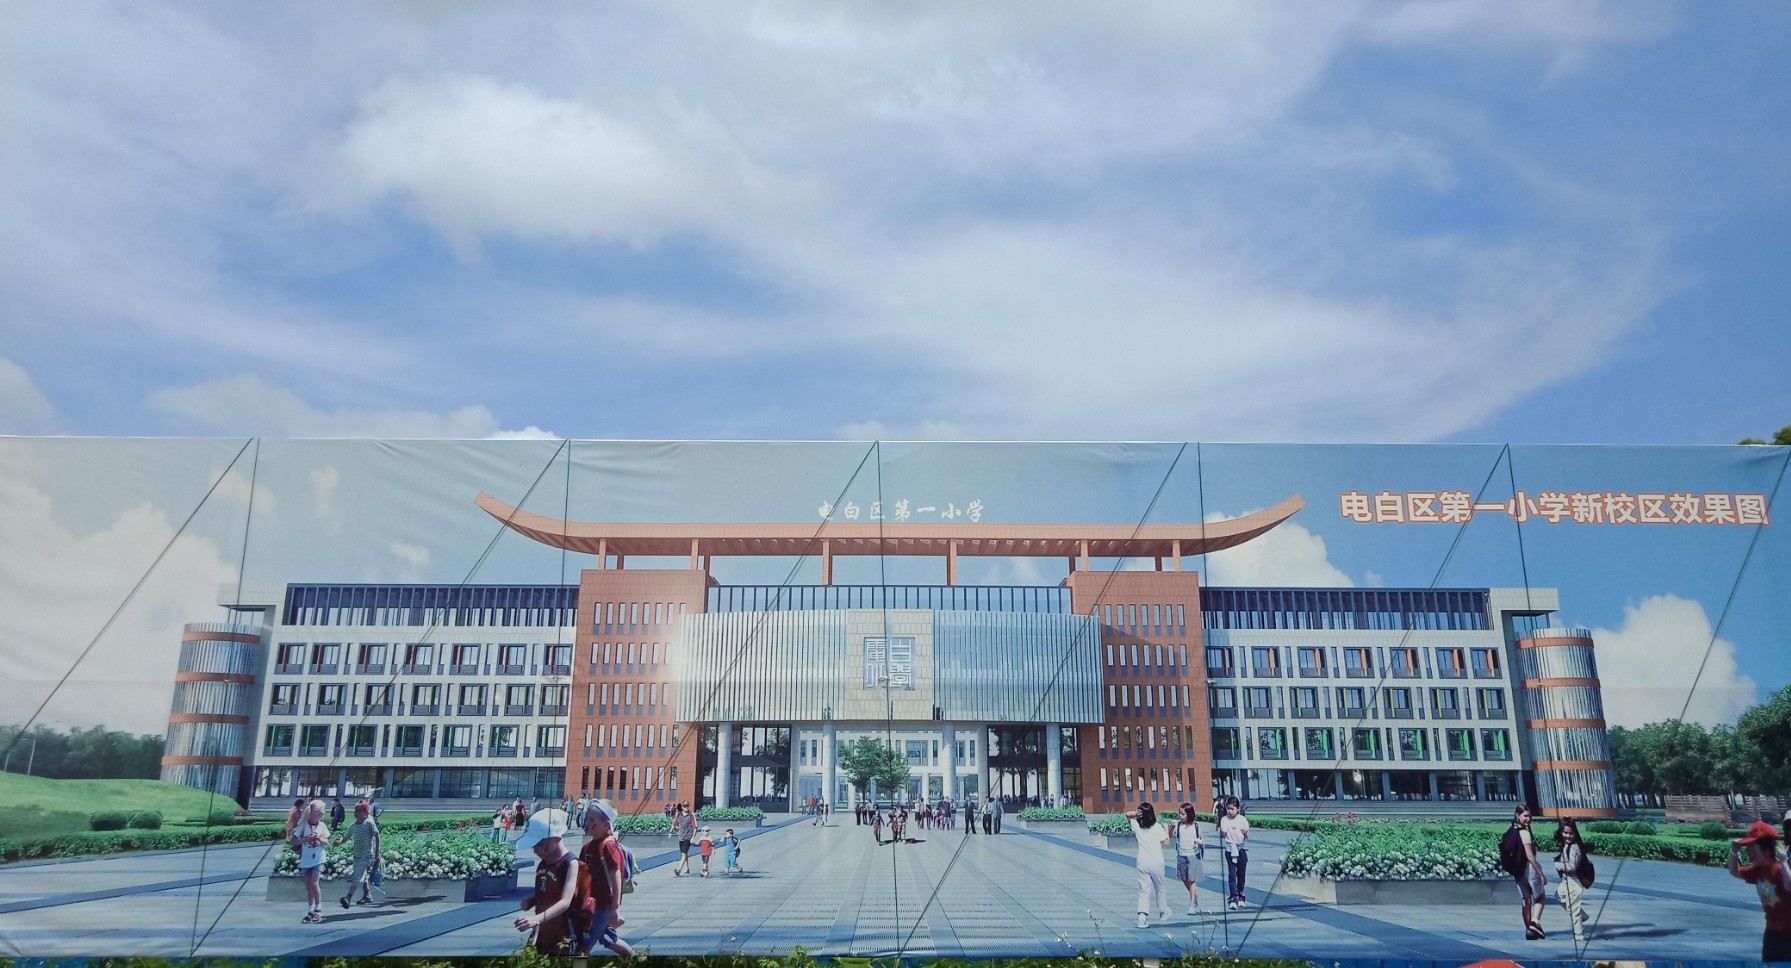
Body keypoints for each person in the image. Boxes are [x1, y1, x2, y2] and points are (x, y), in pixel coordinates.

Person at [576, 799, 634, 957]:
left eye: (592, 820)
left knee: (584, 947)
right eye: (587, 818)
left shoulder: (609, 846)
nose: (587, 823)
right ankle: (633, 958)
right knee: (609, 939)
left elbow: (616, 875)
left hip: (603, 905)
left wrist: (615, 907)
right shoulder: (587, 847)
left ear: (606, 825)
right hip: (589, 903)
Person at [1728, 820, 1791, 962]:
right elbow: (1734, 871)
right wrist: (1734, 851)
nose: (1749, 852)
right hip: (1772, 933)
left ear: (1767, 851)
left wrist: (1784, 863)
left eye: (1752, 848)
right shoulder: (1757, 871)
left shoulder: (1779, 870)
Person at [514, 817, 578, 956]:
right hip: (542, 930)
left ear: (555, 839)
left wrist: (536, 919)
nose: (534, 850)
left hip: (563, 932)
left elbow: (565, 901)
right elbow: (546, 890)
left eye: (538, 844)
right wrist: (533, 900)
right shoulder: (543, 864)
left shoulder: (570, 863)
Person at [1126, 801, 1172, 928]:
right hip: (1157, 861)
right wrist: (1166, 829)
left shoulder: (1137, 826)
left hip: (1142, 861)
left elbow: (1127, 815)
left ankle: (1142, 917)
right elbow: (1166, 843)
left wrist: (1135, 814)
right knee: (1160, 887)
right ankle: (1163, 910)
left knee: (1144, 890)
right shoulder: (1157, 827)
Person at [1507, 805, 1548, 940]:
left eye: (1530, 816)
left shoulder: (1511, 831)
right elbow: (1530, 856)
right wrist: (1540, 873)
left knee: (1526, 900)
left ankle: (1529, 931)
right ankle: (1534, 923)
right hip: (1529, 870)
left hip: (1517, 871)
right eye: (1525, 816)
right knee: (1540, 897)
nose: (1528, 819)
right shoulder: (1524, 833)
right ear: (1517, 815)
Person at [290, 799, 329, 924]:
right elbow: (293, 842)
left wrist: (319, 839)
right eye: (322, 810)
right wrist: (306, 840)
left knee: (314, 883)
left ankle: (318, 908)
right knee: (309, 886)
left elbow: (326, 841)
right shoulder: (303, 826)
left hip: (318, 857)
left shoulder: (322, 826)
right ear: (315, 812)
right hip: (306, 858)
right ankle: (310, 910)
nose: (324, 812)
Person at [1552, 816, 1589, 943]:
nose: (1568, 836)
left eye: (1571, 833)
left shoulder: (1574, 847)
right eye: (1565, 833)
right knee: (1559, 896)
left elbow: (1572, 867)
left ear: (1575, 833)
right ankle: (1582, 916)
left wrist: (1559, 865)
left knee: (1574, 909)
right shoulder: (1566, 845)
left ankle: (1579, 935)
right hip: (1566, 881)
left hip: (1574, 881)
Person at [339, 800, 381, 908]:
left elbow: (377, 836)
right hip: (357, 855)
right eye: (356, 811)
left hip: (367, 855)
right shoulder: (354, 826)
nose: (357, 813)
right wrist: (338, 842)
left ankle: (348, 897)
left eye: (359, 811)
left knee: (358, 876)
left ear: (366, 812)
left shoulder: (369, 823)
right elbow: (345, 838)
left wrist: (377, 853)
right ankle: (367, 894)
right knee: (363, 875)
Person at [1170, 801, 1206, 915]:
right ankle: (1194, 895)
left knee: (1191, 879)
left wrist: (1199, 841)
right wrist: (1172, 827)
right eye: (1180, 813)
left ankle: (1191, 905)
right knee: (1184, 879)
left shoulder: (1196, 826)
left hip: (1193, 855)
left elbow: (1202, 839)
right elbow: (1170, 835)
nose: (1180, 816)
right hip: (1181, 854)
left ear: (1189, 814)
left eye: (1183, 814)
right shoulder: (1178, 825)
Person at [1219, 796, 1250, 911]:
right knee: (1232, 875)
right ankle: (1233, 897)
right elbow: (1223, 835)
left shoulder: (1242, 820)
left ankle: (1240, 895)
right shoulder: (1224, 820)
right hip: (1230, 850)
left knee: (1241, 875)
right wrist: (1223, 832)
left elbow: (1247, 837)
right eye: (1228, 808)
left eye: (1232, 809)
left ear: (1238, 809)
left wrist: (1245, 833)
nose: (1230, 811)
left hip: (1241, 850)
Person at [671, 803, 697, 876]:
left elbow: (695, 827)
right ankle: (687, 868)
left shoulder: (691, 815)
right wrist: (670, 831)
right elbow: (674, 823)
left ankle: (679, 870)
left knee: (683, 853)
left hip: (688, 837)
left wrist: (693, 837)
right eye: (685, 806)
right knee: (684, 853)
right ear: (682, 807)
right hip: (681, 836)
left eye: (687, 806)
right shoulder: (679, 814)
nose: (686, 807)